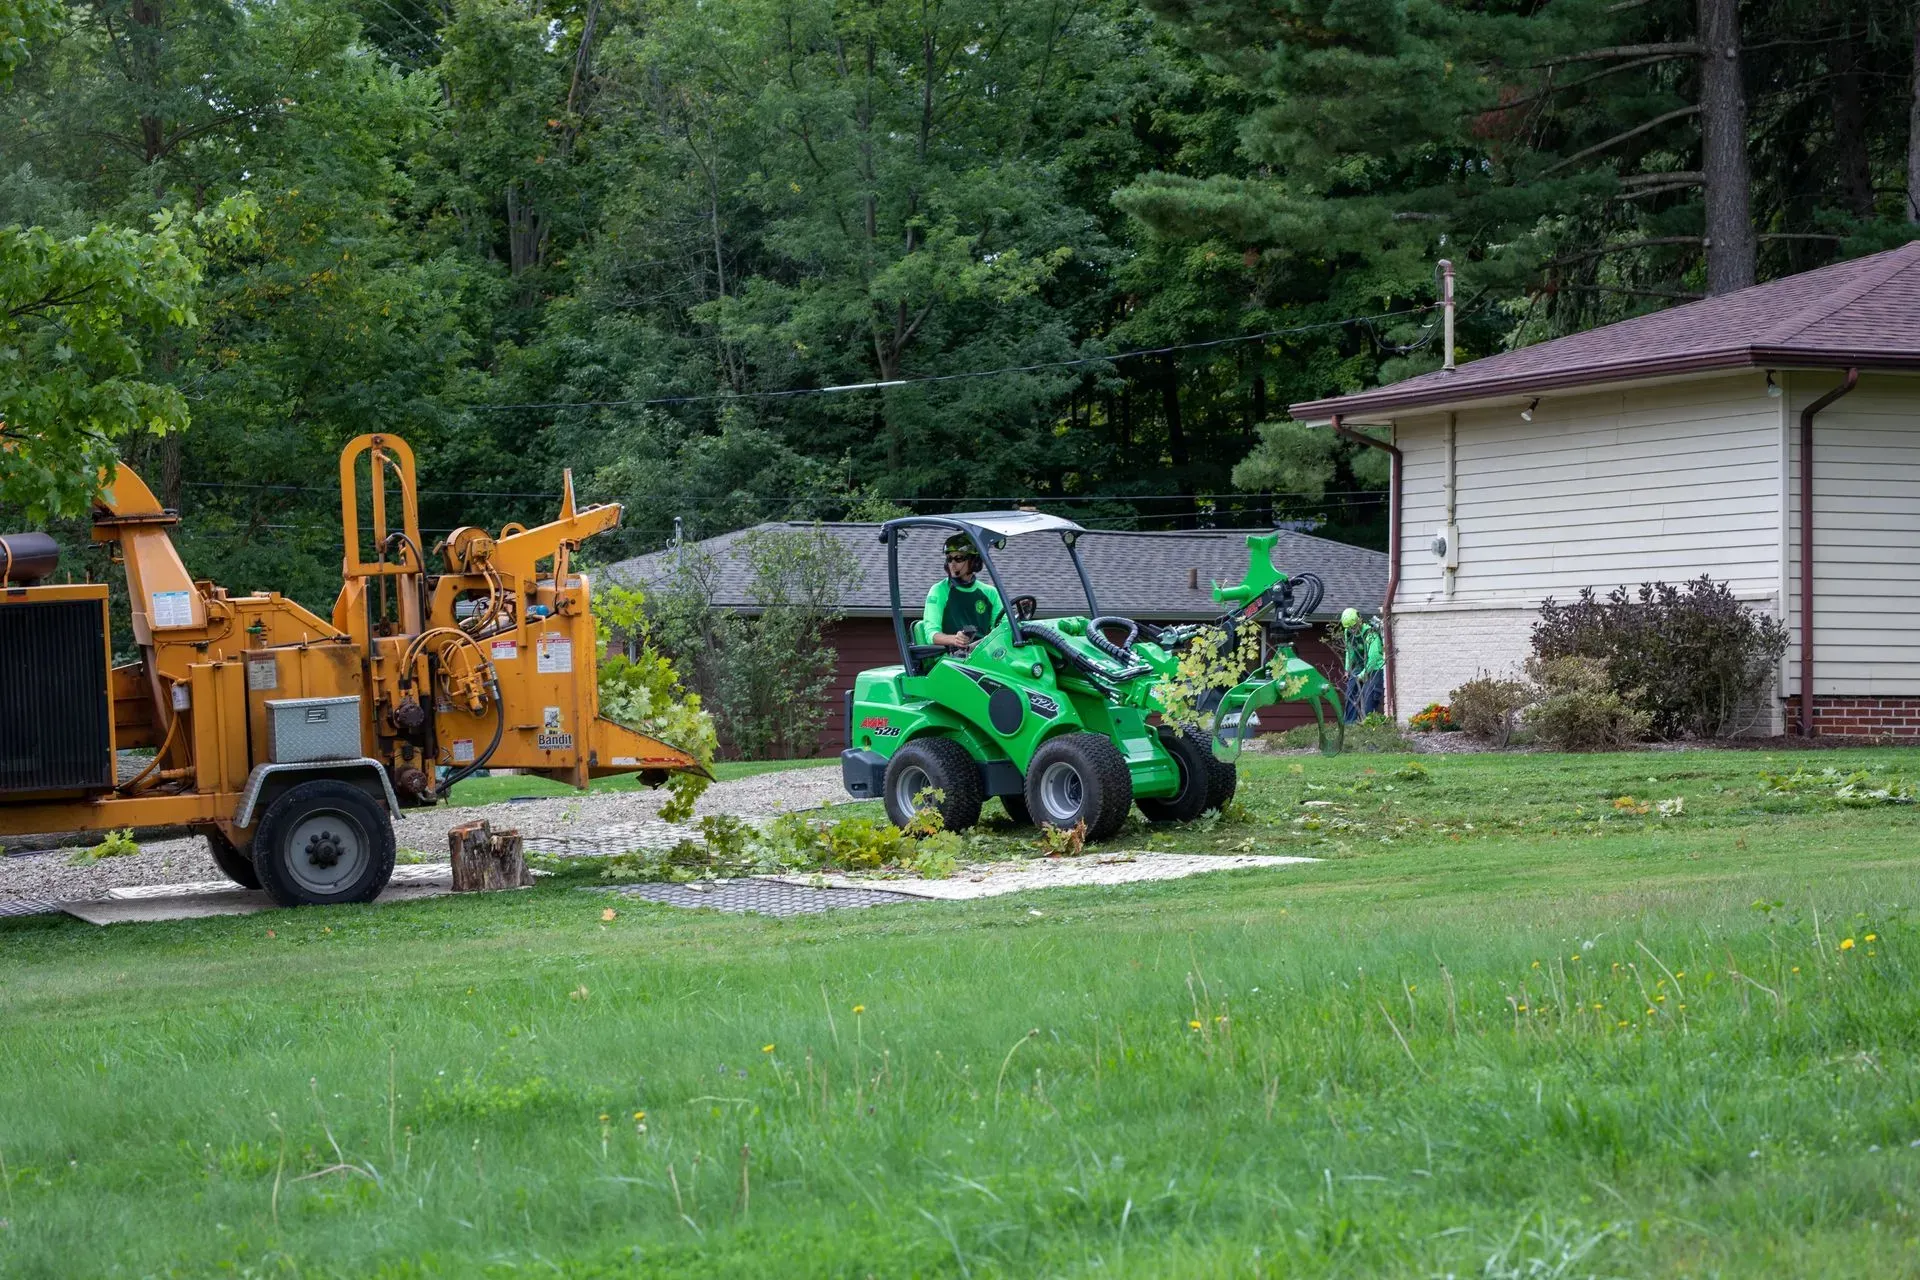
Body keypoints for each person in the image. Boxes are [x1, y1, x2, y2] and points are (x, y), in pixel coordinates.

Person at [923, 533, 1003, 655]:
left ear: (974, 561)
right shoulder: (939, 590)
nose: (952, 564)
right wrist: (954, 639)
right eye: (949, 559)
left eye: (958, 558)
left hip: (983, 654)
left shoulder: (990, 592)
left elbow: (1003, 628)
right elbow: (931, 635)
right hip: (949, 659)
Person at [1340, 607, 1385, 722]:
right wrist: (1347, 670)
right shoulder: (1348, 633)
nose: (1352, 630)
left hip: (1374, 668)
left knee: (1369, 696)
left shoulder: (1370, 634)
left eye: (1354, 626)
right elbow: (1349, 652)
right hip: (1360, 666)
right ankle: (1349, 724)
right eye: (1349, 628)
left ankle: (1368, 724)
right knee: (1350, 693)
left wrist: (1362, 675)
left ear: (1359, 620)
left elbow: (1374, 658)